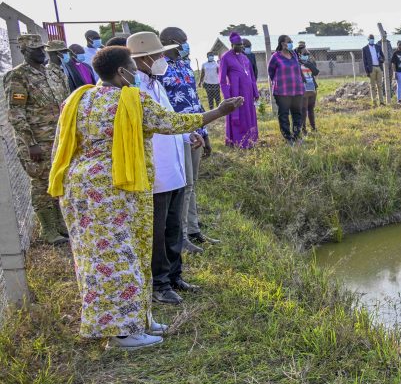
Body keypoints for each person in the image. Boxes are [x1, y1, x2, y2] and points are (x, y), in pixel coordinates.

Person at [49, 45, 242, 349]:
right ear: (122, 71)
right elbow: (173, 123)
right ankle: (123, 333)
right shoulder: (132, 100)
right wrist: (219, 111)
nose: (135, 74)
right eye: (131, 68)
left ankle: (138, 318)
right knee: (120, 256)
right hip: (114, 187)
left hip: (79, 187)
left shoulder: (78, 98)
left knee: (98, 256)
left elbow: (62, 142)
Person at [121, 33, 195, 306]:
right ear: (144, 58)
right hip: (156, 172)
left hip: (173, 167)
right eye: (160, 55)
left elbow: (169, 119)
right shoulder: (133, 89)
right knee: (159, 230)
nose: (163, 59)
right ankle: (159, 284)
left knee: (174, 226)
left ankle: (175, 276)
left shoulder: (156, 83)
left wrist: (187, 136)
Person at [3, 33, 70, 244]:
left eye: (42, 49)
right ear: (24, 51)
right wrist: (30, 143)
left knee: (59, 178)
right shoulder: (18, 76)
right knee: (41, 183)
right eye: (36, 50)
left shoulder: (51, 73)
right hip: (37, 142)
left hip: (58, 139)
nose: (42, 53)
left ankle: (60, 224)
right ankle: (48, 229)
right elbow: (16, 112)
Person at [158, 27, 215, 251]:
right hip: (176, 135)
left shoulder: (184, 65)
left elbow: (195, 100)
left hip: (195, 132)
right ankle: (180, 237)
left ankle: (193, 230)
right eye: (183, 41)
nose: (186, 45)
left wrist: (205, 133)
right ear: (171, 42)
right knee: (184, 185)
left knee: (192, 185)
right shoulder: (160, 68)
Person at [220, 32, 259, 148]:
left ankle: (251, 140)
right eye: (238, 44)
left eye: (242, 44)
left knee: (249, 115)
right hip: (235, 93)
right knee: (238, 116)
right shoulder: (226, 57)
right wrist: (228, 97)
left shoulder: (245, 57)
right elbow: (222, 80)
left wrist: (255, 91)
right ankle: (238, 142)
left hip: (248, 92)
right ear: (232, 44)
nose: (241, 47)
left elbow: (252, 76)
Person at [267, 35, 305, 142]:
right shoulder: (275, 57)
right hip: (282, 92)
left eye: (291, 41)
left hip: (297, 90)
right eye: (289, 41)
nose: (291, 43)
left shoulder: (294, 55)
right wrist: (280, 82)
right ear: (283, 43)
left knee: (297, 114)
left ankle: (297, 135)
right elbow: (271, 72)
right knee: (284, 115)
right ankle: (288, 138)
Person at [297, 43, 320, 131]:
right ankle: (303, 128)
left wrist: (309, 65)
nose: (306, 56)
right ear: (299, 54)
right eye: (304, 54)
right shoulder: (297, 64)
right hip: (303, 89)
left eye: (307, 54)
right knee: (304, 109)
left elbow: (316, 72)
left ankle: (313, 127)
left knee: (311, 108)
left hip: (312, 88)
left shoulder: (309, 63)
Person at [362, 34, 385, 105]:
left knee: (380, 86)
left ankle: (381, 102)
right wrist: (367, 72)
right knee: (372, 86)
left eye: (373, 39)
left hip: (379, 67)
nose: (372, 40)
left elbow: (383, 57)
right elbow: (364, 61)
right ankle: (374, 102)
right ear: (368, 40)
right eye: (370, 39)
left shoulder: (378, 47)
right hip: (371, 68)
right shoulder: (365, 49)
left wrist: (381, 59)